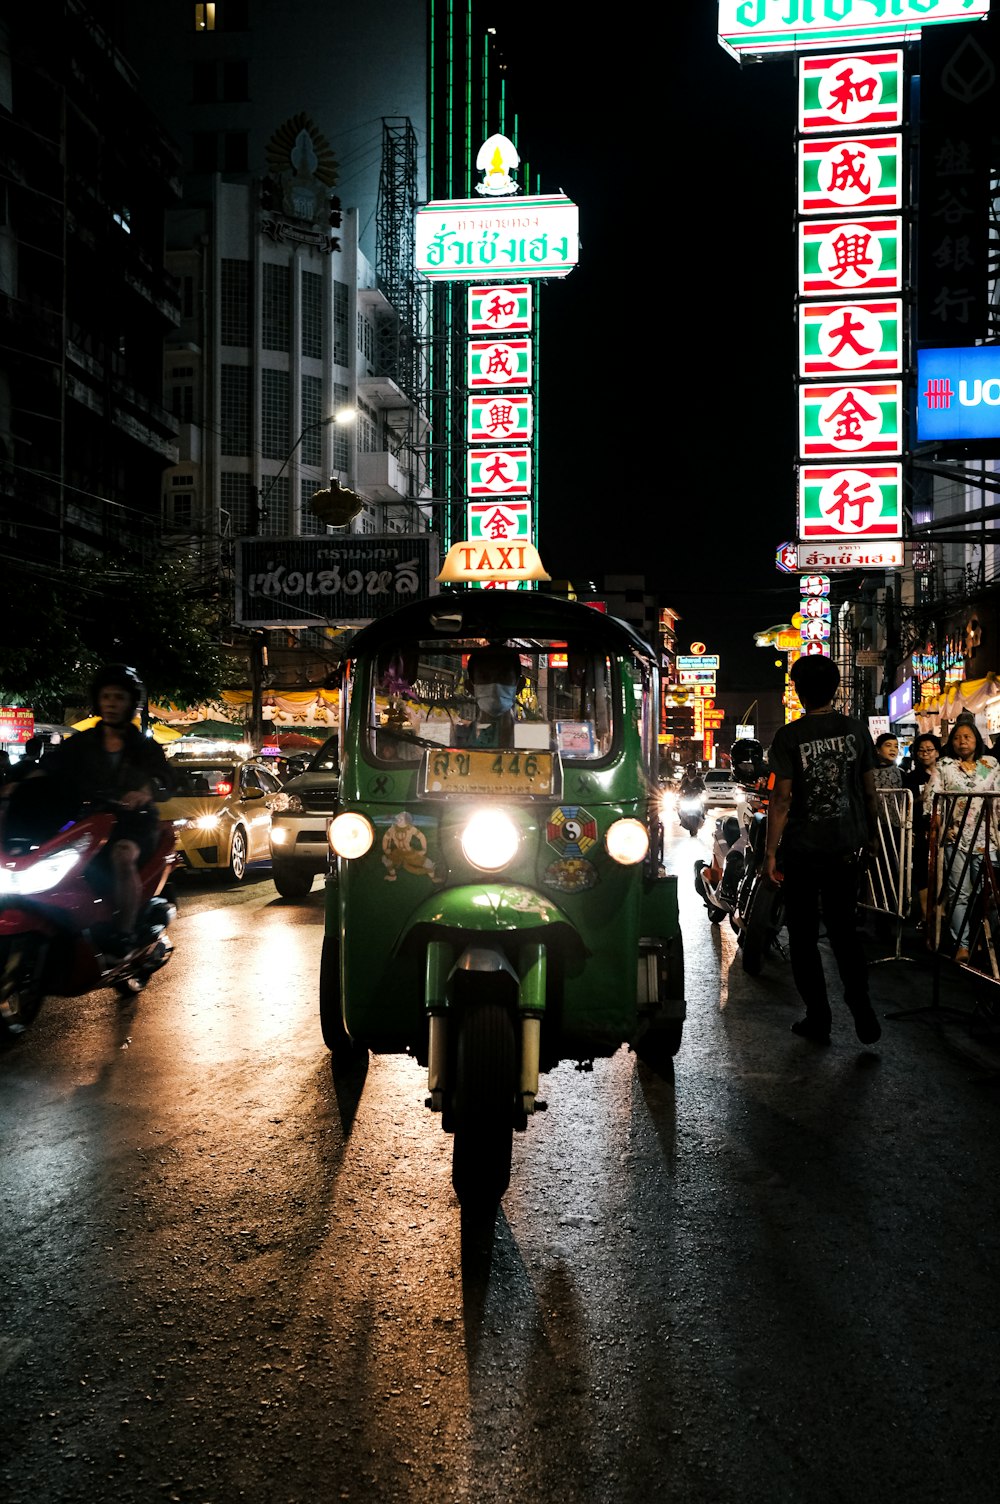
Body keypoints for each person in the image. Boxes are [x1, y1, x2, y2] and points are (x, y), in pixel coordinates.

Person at [763, 654, 881, 1046]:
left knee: (803, 936)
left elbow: (781, 800)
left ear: (798, 691)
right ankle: (861, 1007)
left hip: (802, 852)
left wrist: (770, 854)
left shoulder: (789, 737)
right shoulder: (857, 731)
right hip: (846, 848)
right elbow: (869, 792)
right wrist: (874, 838)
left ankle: (819, 1016)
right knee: (844, 931)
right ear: (836, 688)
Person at [41, 664, 174, 958]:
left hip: (133, 824)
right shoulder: (80, 744)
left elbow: (164, 779)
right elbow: (49, 770)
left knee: (122, 855)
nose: (112, 703)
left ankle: (124, 932)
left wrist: (144, 792)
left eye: (119, 697)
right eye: (107, 697)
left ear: (129, 703)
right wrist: (17, 783)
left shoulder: (145, 747)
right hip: (89, 823)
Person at [923, 715, 1000, 963]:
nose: (962, 741)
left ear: (977, 740)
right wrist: (935, 828)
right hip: (954, 838)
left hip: (987, 838)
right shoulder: (944, 765)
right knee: (960, 892)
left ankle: (983, 939)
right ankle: (962, 944)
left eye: (967, 736)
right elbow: (930, 800)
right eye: (957, 737)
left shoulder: (992, 764)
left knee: (986, 893)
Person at [902, 733, 940, 923]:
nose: (925, 754)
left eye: (929, 750)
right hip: (920, 829)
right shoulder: (910, 778)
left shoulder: (944, 775)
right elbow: (907, 805)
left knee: (945, 870)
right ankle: (926, 915)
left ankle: (941, 911)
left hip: (943, 829)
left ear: (937, 752)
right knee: (922, 872)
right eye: (921, 750)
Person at [457, 647, 522, 749]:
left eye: (504, 676)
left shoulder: (535, 741)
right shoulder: (455, 740)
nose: (494, 687)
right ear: (470, 687)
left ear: (519, 686)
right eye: (484, 678)